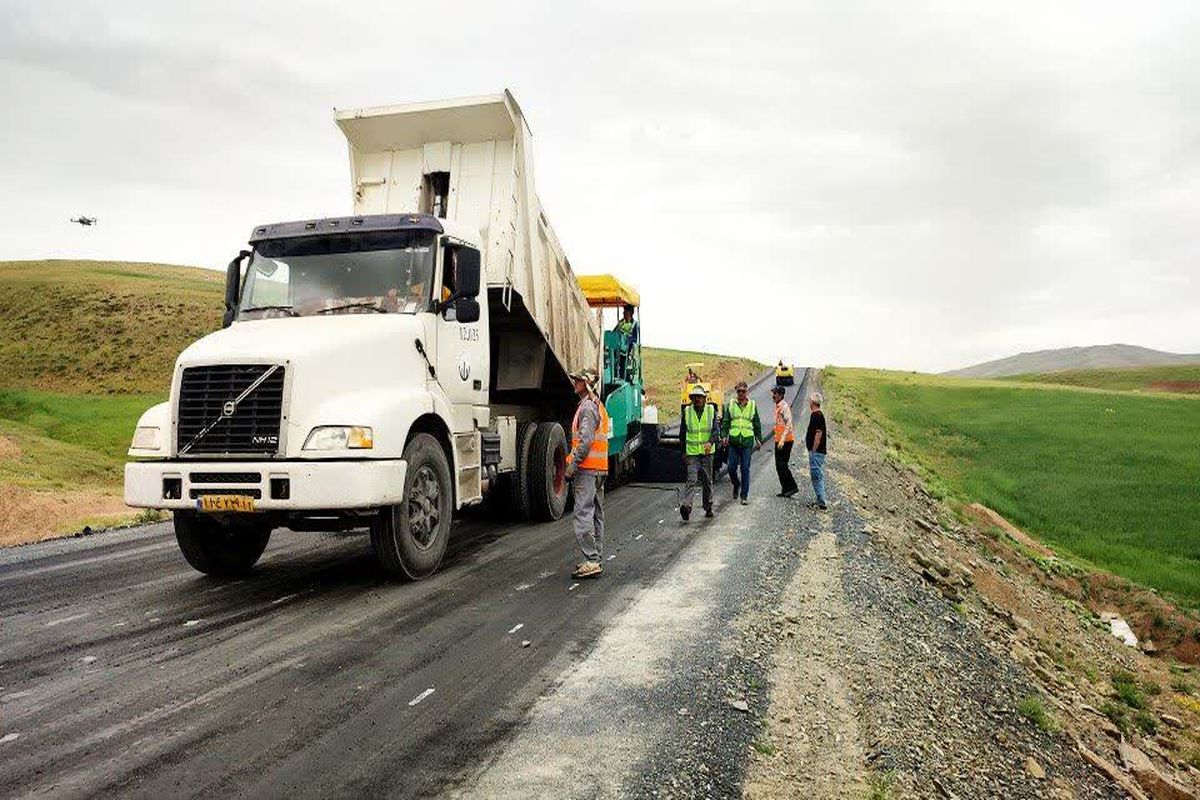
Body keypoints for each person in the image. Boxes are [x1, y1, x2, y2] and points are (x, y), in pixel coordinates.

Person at [564, 367, 609, 578]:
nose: (574, 382)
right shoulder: (597, 405)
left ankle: (591, 560)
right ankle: (595, 559)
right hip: (599, 469)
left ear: (587, 383)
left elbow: (585, 441)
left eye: (578, 380)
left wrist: (572, 464)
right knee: (597, 515)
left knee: (583, 514)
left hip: (588, 470)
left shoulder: (588, 408)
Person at [720, 380, 765, 505]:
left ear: (747, 391)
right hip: (733, 442)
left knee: (745, 468)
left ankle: (744, 495)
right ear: (736, 392)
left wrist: (759, 439)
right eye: (738, 391)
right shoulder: (731, 404)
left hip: (747, 443)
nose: (741, 393)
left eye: (743, 391)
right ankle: (736, 484)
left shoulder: (752, 405)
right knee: (731, 468)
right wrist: (723, 435)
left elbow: (757, 423)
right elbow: (726, 422)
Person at [679, 385, 719, 520]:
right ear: (692, 398)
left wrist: (711, 442)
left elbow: (715, 431)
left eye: (700, 397)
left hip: (707, 454)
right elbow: (682, 433)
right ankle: (686, 506)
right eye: (695, 397)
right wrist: (683, 451)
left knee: (707, 481)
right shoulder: (687, 412)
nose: (697, 399)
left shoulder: (711, 411)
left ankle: (708, 507)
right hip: (692, 453)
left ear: (704, 398)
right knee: (691, 479)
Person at [772, 385, 799, 498]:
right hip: (779, 440)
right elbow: (780, 423)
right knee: (779, 466)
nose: (773, 396)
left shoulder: (784, 407)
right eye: (773, 393)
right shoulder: (778, 406)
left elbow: (788, 424)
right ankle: (785, 489)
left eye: (775, 394)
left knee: (782, 465)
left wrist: (782, 440)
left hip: (786, 441)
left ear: (781, 395)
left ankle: (792, 486)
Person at [806, 391, 829, 510]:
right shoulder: (816, 415)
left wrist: (813, 450)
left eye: (810, 400)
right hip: (817, 451)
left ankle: (821, 500)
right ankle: (820, 498)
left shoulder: (817, 415)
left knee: (816, 474)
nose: (809, 403)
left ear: (813, 402)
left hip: (817, 452)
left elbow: (818, 434)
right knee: (816, 474)